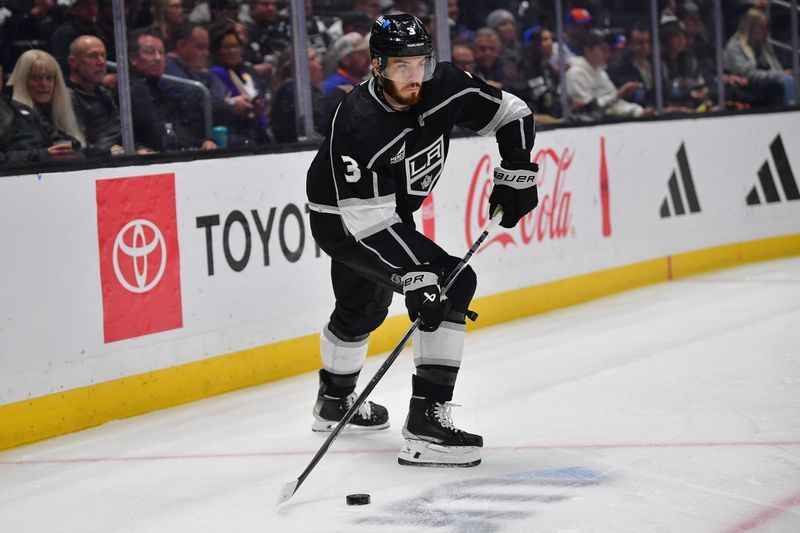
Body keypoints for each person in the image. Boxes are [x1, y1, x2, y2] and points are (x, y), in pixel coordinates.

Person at [305, 14, 538, 468]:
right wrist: (416, 278)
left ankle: (333, 403)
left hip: (389, 209)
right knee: (450, 281)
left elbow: (512, 112)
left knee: (362, 308)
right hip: (345, 219)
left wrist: (518, 169)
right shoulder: (357, 123)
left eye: (421, 64)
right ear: (376, 66)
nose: (415, 77)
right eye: (401, 67)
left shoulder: (444, 83)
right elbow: (368, 226)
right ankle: (425, 426)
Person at [128, 29, 216, 151]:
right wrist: (190, 147)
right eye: (150, 52)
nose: (158, 58)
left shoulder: (157, 89)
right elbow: (158, 134)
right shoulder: (134, 90)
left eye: (161, 52)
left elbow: (174, 127)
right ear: (133, 58)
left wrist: (201, 143)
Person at [7, 48, 86, 159]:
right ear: (22, 81)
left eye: (49, 78)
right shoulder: (12, 117)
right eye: (36, 78)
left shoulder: (64, 112)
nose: (44, 84)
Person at [208, 23, 268, 146]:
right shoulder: (214, 74)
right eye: (227, 47)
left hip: (256, 130)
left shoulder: (247, 71)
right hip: (233, 133)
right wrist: (234, 106)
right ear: (217, 50)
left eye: (235, 46)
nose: (233, 51)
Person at [566, 29, 646, 120]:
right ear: (587, 50)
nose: (607, 54)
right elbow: (586, 109)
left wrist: (638, 111)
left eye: (608, 49)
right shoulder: (575, 73)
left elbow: (615, 102)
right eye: (602, 49)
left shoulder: (601, 72)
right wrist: (618, 94)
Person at [724, 8, 795, 107]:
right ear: (750, 28)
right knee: (786, 81)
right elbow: (747, 73)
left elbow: (776, 67)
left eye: (766, 28)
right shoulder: (734, 46)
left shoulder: (764, 46)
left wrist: (781, 73)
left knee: (791, 78)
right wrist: (778, 75)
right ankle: (790, 110)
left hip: (766, 80)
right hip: (747, 84)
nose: (765, 31)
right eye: (761, 27)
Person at [67, 35, 125, 156]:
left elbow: (119, 130)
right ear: (73, 62)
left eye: (103, 56)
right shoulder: (68, 98)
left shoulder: (105, 93)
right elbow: (77, 147)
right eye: (92, 56)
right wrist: (107, 151)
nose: (102, 62)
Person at [269, 45, 327, 143]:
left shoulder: (299, 90)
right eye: (313, 59)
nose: (320, 61)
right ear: (298, 67)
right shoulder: (294, 93)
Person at [607, 23, 655, 108]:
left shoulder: (656, 65)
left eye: (647, 42)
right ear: (628, 44)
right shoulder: (616, 69)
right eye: (640, 43)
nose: (645, 46)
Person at [322, 32, 370, 98]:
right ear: (346, 60)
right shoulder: (334, 87)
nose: (368, 57)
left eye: (366, 52)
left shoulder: (360, 81)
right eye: (361, 54)